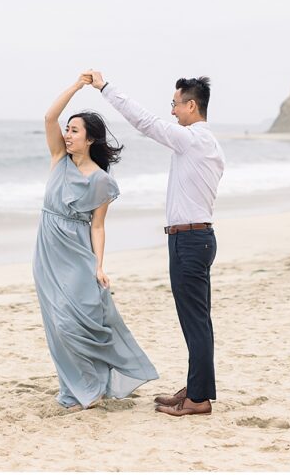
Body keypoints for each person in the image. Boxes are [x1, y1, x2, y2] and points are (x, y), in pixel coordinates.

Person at [88, 70, 225, 418]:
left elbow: (144, 122)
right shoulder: (206, 143)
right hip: (197, 237)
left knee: (195, 321)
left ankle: (198, 399)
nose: (172, 111)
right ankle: (197, 388)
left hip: (190, 240)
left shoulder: (193, 139)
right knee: (198, 320)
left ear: (191, 105)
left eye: (175, 105)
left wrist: (106, 88)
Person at [32, 74, 158, 412]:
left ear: (90, 140)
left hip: (77, 251)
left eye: (75, 131)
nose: (68, 135)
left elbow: (98, 227)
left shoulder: (102, 181)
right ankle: (78, 390)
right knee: (56, 324)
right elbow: (48, 118)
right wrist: (75, 87)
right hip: (47, 249)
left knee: (77, 323)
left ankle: (94, 384)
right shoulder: (59, 159)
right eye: (68, 130)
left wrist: (99, 265)